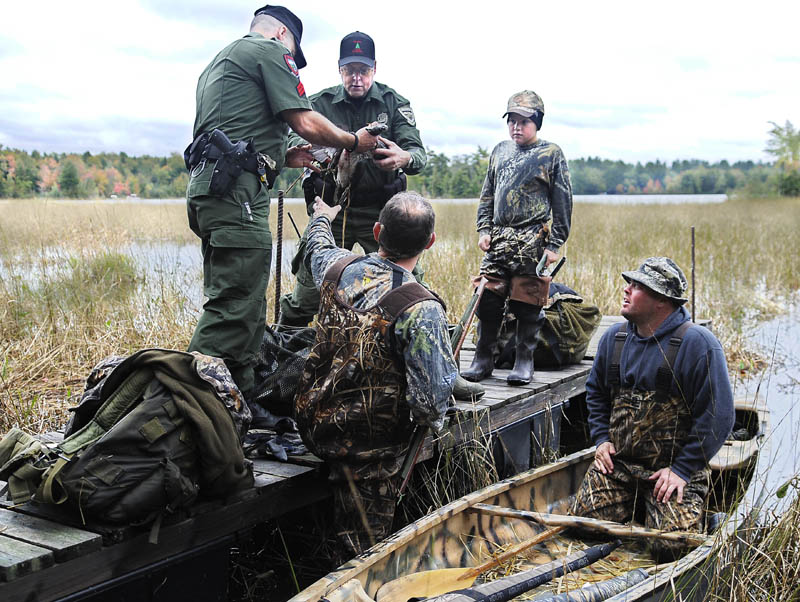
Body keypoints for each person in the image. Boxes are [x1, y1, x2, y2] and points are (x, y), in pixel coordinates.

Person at [184, 6, 380, 401]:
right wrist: (353, 142)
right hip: (237, 195)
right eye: (294, 50)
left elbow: (238, 128)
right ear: (282, 35)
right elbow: (304, 121)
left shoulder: (219, 61)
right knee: (232, 307)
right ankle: (187, 402)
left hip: (215, 189)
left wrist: (285, 157)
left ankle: (239, 398)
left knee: (247, 302)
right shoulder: (270, 50)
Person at [294, 192, 457, 558]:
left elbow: (315, 246)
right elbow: (430, 404)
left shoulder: (336, 267)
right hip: (368, 454)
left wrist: (322, 215)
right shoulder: (422, 308)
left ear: (377, 230)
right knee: (362, 558)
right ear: (429, 242)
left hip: (312, 424)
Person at [571, 257, 734, 560]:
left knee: (672, 546)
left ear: (661, 301)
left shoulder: (698, 344)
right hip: (619, 467)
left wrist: (683, 470)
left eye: (637, 286)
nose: (626, 290)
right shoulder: (614, 339)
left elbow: (718, 415)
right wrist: (601, 440)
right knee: (582, 525)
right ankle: (638, 506)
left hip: (669, 474)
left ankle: (704, 518)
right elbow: (595, 394)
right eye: (629, 283)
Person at [278, 31, 427, 328]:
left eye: (363, 71)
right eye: (349, 71)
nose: (356, 78)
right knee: (309, 290)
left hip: (382, 212)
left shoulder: (393, 103)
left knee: (407, 286)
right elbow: (292, 139)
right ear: (339, 69)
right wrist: (320, 149)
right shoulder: (318, 104)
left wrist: (404, 158)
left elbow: (419, 156)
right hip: (330, 211)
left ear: (374, 69)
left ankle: (409, 345)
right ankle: (284, 347)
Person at [462, 90, 573, 386]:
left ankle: (525, 361)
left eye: (523, 121)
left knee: (528, 301)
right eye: (512, 121)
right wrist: (483, 229)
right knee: (486, 297)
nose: (516, 127)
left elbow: (563, 202)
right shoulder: (499, 150)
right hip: (499, 239)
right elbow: (487, 194)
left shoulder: (551, 154)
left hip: (532, 240)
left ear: (536, 122)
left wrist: (554, 245)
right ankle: (483, 359)